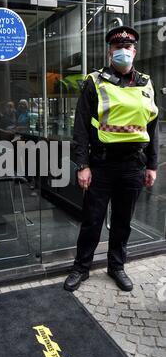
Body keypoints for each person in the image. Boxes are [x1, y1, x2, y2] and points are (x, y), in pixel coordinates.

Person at [64, 26, 159, 293]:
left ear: (134, 52)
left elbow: (153, 127)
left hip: (133, 164)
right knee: (92, 219)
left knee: (122, 221)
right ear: (110, 52)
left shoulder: (146, 83)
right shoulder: (95, 82)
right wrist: (82, 165)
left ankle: (116, 266)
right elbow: (81, 127)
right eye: (118, 49)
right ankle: (81, 268)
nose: (123, 53)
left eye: (127, 48)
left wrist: (152, 164)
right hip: (102, 164)